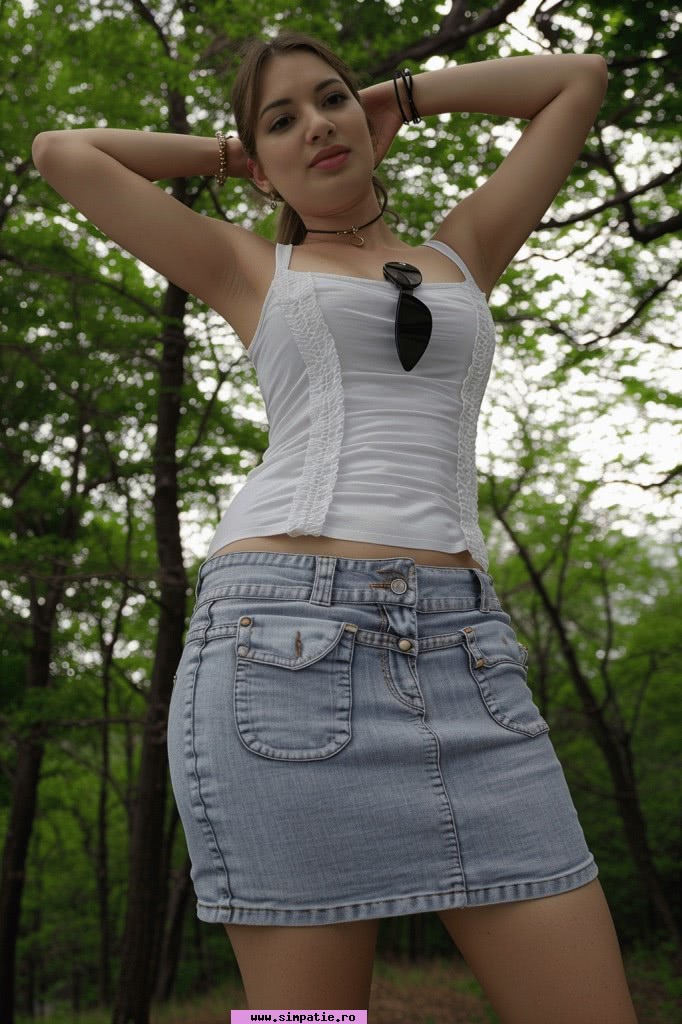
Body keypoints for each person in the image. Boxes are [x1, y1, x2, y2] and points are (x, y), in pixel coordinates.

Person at [31, 30, 639, 1023]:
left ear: (367, 118)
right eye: (283, 120)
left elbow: (577, 79)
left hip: (470, 658)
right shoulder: (246, 265)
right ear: (259, 161)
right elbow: (63, 152)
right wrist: (231, 155)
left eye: (330, 101)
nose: (315, 124)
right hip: (282, 650)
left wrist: (404, 93)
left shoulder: (464, 250)